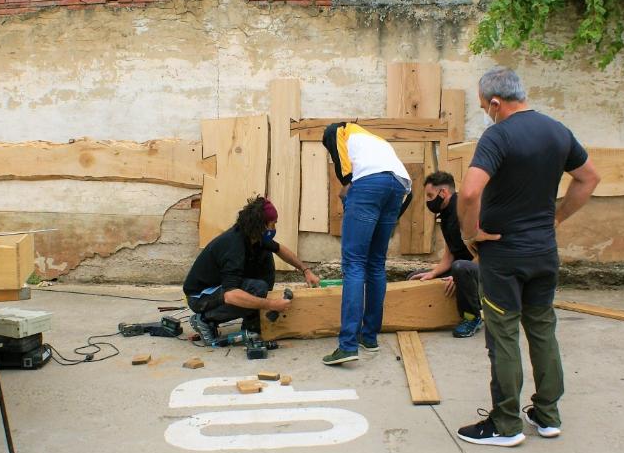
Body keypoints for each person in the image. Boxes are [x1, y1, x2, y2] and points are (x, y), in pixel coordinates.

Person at [455, 66, 600, 447]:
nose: (487, 111)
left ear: (497, 102)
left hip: (504, 255)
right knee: (542, 330)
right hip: (543, 252)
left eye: (485, 106)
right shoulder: (558, 131)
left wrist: (471, 234)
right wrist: (557, 217)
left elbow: (469, 193)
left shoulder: (497, 135)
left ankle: (506, 425)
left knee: (503, 335)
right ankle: (547, 415)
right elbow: (589, 178)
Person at [321, 122, 412, 365]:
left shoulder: (338, 130)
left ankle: (348, 344)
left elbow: (346, 176)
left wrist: (347, 190)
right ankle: (369, 337)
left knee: (353, 264)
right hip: (398, 184)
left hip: (370, 183)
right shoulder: (373, 140)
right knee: (375, 264)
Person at [183, 196, 320, 346]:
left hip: (219, 287)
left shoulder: (253, 235)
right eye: (273, 224)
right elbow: (231, 295)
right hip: (200, 297)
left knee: (266, 254)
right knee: (257, 288)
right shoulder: (234, 246)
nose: (274, 229)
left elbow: (279, 249)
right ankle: (205, 319)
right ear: (261, 225)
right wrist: (272, 304)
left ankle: (252, 319)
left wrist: (305, 270)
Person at [407, 171, 483, 338]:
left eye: (430, 195)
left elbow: (486, 253)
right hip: (461, 270)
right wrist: (432, 273)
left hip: (483, 270)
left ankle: (472, 317)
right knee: (414, 277)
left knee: (460, 268)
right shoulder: (446, 214)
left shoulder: (464, 211)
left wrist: (459, 276)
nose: (428, 201)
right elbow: (450, 255)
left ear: (443, 192)